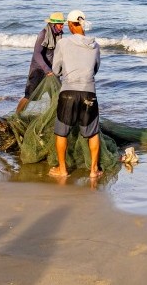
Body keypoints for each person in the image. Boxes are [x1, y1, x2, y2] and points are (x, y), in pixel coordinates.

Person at [49, 10, 102, 179]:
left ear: (71, 25)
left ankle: (62, 169)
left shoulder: (63, 43)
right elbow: (95, 69)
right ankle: (94, 171)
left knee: (61, 132)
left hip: (68, 93)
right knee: (92, 133)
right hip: (89, 92)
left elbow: (55, 70)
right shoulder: (95, 46)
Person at [15, 12, 66, 114]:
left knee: (55, 95)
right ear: (53, 24)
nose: (62, 26)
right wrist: (47, 70)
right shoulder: (43, 34)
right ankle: (17, 116)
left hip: (52, 70)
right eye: (60, 24)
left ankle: (53, 118)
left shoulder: (58, 35)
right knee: (29, 96)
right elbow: (37, 54)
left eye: (62, 23)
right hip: (38, 70)